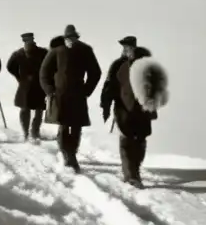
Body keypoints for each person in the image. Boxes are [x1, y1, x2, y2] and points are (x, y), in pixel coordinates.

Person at [100, 35, 161, 188]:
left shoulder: (146, 66)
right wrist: (106, 104)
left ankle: (135, 169)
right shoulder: (118, 65)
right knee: (126, 140)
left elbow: (155, 87)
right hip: (123, 109)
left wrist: (153, 104)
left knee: (140, 141)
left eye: (130, 47)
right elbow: (109, 85)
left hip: (142, 111)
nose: (128, 50)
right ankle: (130, 175)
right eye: (125, 48)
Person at [40, 24, 102, 172]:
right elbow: (44, 73)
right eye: (68, 38)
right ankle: (66, 155)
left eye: (74, 38)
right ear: (64, 38)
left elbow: (95, 72)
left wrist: (87, 90)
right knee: (63, 126)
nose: (71, 41)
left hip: (78, 95)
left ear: (77, 38)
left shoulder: (85, 51)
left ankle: (72, 155)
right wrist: (50, 91)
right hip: (59, 95)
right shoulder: (56, 52)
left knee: (76, 127)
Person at [6, 32, 47, 142]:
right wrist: (19, 77)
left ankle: (35, 132)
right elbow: (10, 66)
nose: (28, 42)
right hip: (25, 86)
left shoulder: (43, 52)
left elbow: (50, 65)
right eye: (26, 41)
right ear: (23, 42)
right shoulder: (18, 54)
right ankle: (25, 132)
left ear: (33, 40)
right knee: (25, 109)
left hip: (39, 85)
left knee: (39, 110)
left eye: (30, 40)